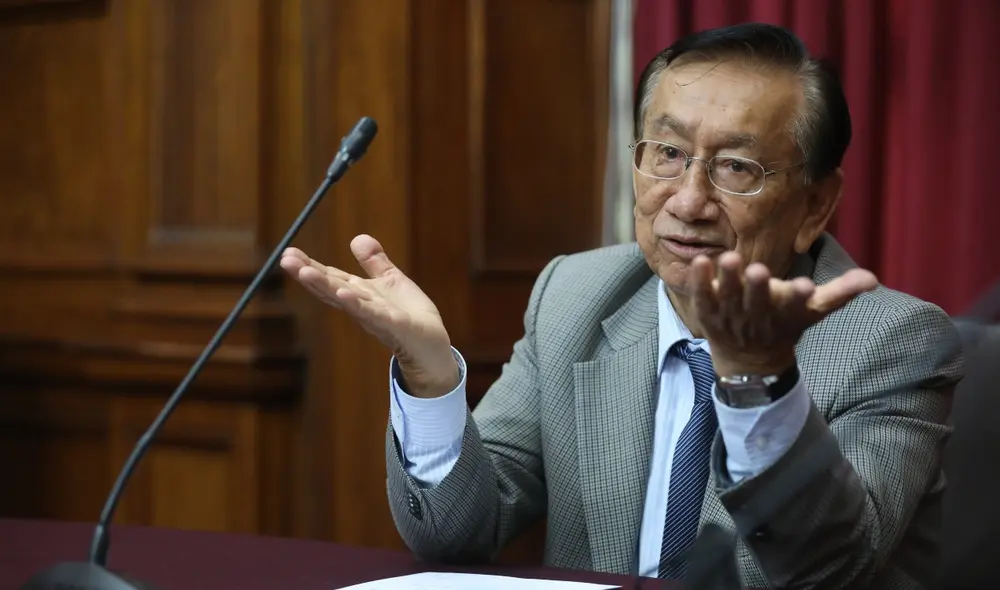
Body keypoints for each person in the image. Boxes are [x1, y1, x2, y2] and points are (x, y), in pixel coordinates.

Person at [281, 23, 963, 588]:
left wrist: (759, 377)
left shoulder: (892, 342)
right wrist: (431, 379)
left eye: (736, 168)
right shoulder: (574, 297)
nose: (688, 200)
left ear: (815, 204)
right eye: (667, 152)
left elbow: (826, 572)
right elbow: (457, 531)